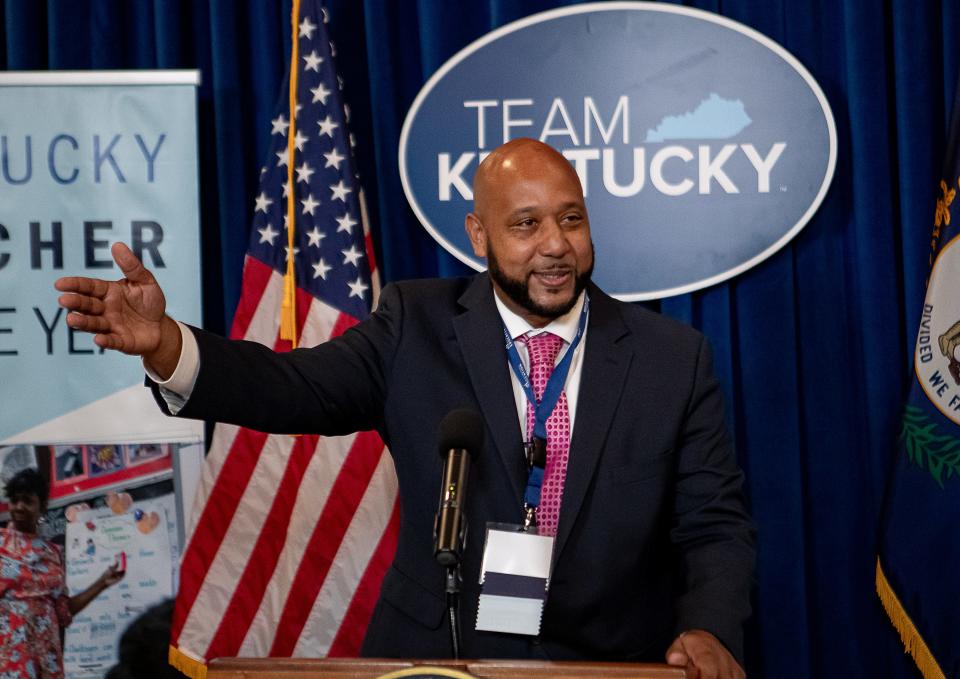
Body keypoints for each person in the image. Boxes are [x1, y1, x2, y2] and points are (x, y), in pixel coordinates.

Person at [56, 139, 755, 678]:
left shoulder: (671, 357)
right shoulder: (414, 325)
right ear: (479, 236)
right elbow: (289, 386)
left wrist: (710, 628)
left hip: (607, 662)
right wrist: (167, 345)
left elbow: (714, 526)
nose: (555, 245)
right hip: (436, 657)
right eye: (527, 223)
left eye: (571, 219)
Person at [1, 468, 124, 679]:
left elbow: (63, 612)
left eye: (27, 501)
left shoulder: (53, 553)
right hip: (11, 658)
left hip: (47, 657)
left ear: (42, 507)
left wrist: (102, 582)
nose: (19, 507)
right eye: (15, 500)